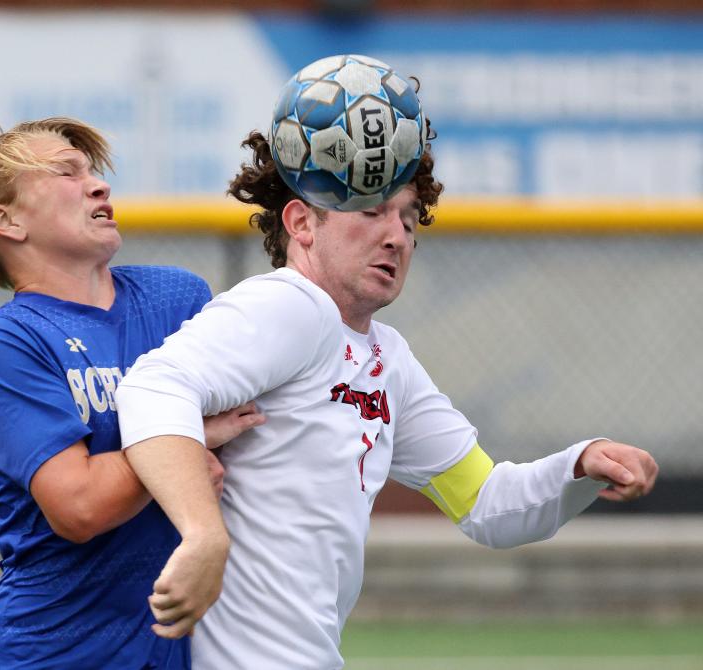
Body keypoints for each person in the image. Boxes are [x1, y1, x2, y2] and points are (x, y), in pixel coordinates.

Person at [114, 126, 659, 667]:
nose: (397, 235)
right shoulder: (289, 305)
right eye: (372, 211)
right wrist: (203, 535)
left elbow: (487, 504)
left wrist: (581, 464)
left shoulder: (387, 359)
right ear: (302, 222)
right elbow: (153, 388)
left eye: (408, 216)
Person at [0, 115, 264, 669]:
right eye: (66, 172)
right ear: (7, 220)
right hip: (56, 651)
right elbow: (79, 506)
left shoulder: (177, 297)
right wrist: (185, 440)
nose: (100, 185)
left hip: (176, 650)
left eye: (94, 172)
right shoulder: (5, 344)